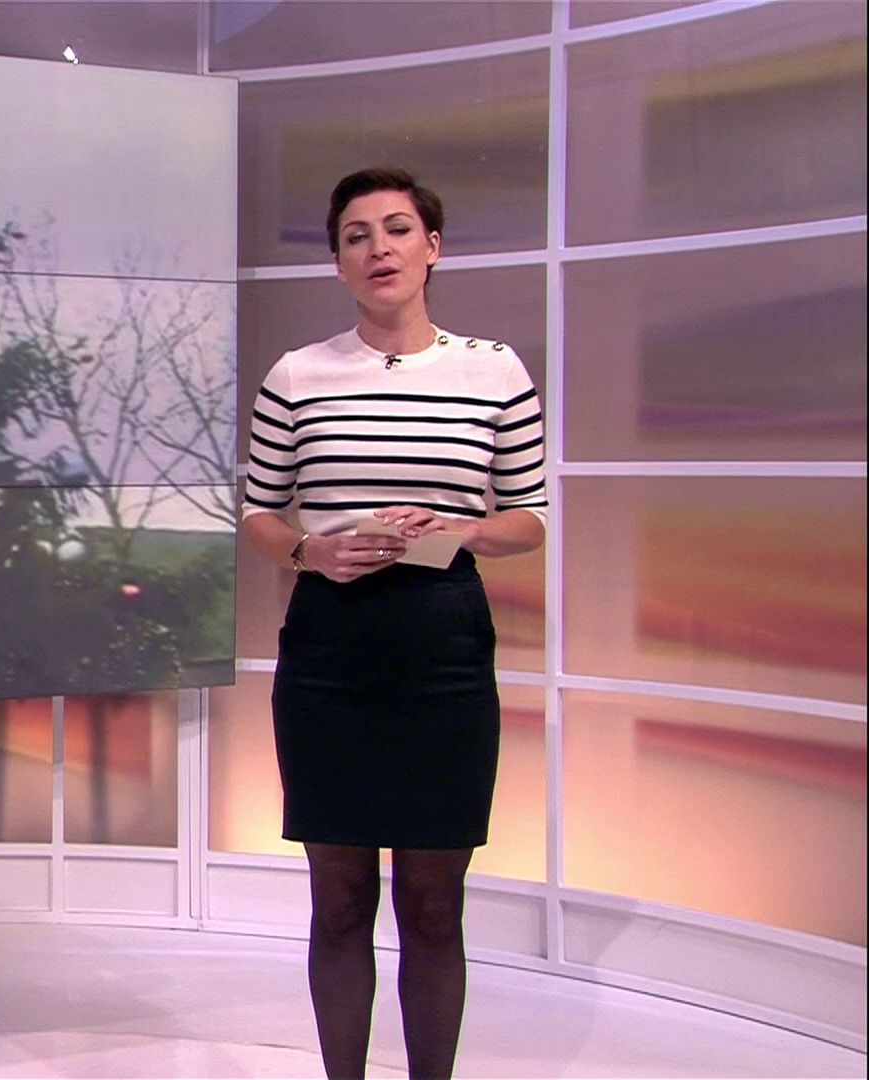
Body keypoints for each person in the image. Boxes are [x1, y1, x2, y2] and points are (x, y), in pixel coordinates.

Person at [240, 167, 548, 1079]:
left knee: (433, 903)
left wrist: (462, 528)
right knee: (339, 899)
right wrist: (310, 552)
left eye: (398, 229)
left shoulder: (494, 370)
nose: (379, 248)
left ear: (432, 247)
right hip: (330, 646)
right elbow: (258, 513)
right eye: (356, 236)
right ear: (338, 263)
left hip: (444, 642)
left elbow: (529, 517)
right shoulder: (297, 375)